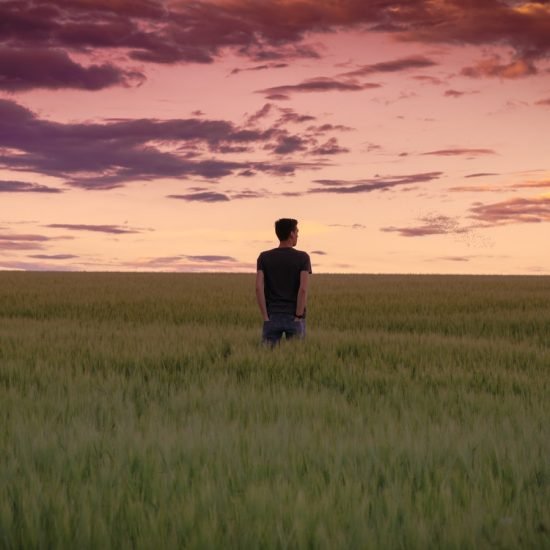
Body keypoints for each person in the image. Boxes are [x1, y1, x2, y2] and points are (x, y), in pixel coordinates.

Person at [256, 218, 312, 345]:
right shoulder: (303, 257)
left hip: (272, 316)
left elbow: (258, 288)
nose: (298, 234)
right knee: (296, 359)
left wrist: (265, 316)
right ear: (291, 234)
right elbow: (303, 289)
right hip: (294, 316)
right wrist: (298, 317)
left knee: (268, 359)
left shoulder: (264, 257)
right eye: (297, 231)